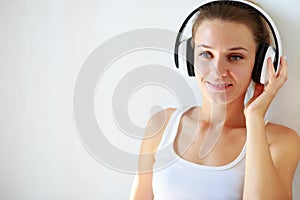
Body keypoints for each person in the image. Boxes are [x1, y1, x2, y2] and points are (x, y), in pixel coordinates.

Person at [130, 1, 300, 199]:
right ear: (189, 59)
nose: (218, 71)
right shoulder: (161, 125)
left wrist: (254, 118)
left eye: (235, 57)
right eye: (206, 54)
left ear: (260, 65)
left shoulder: (280, 141)